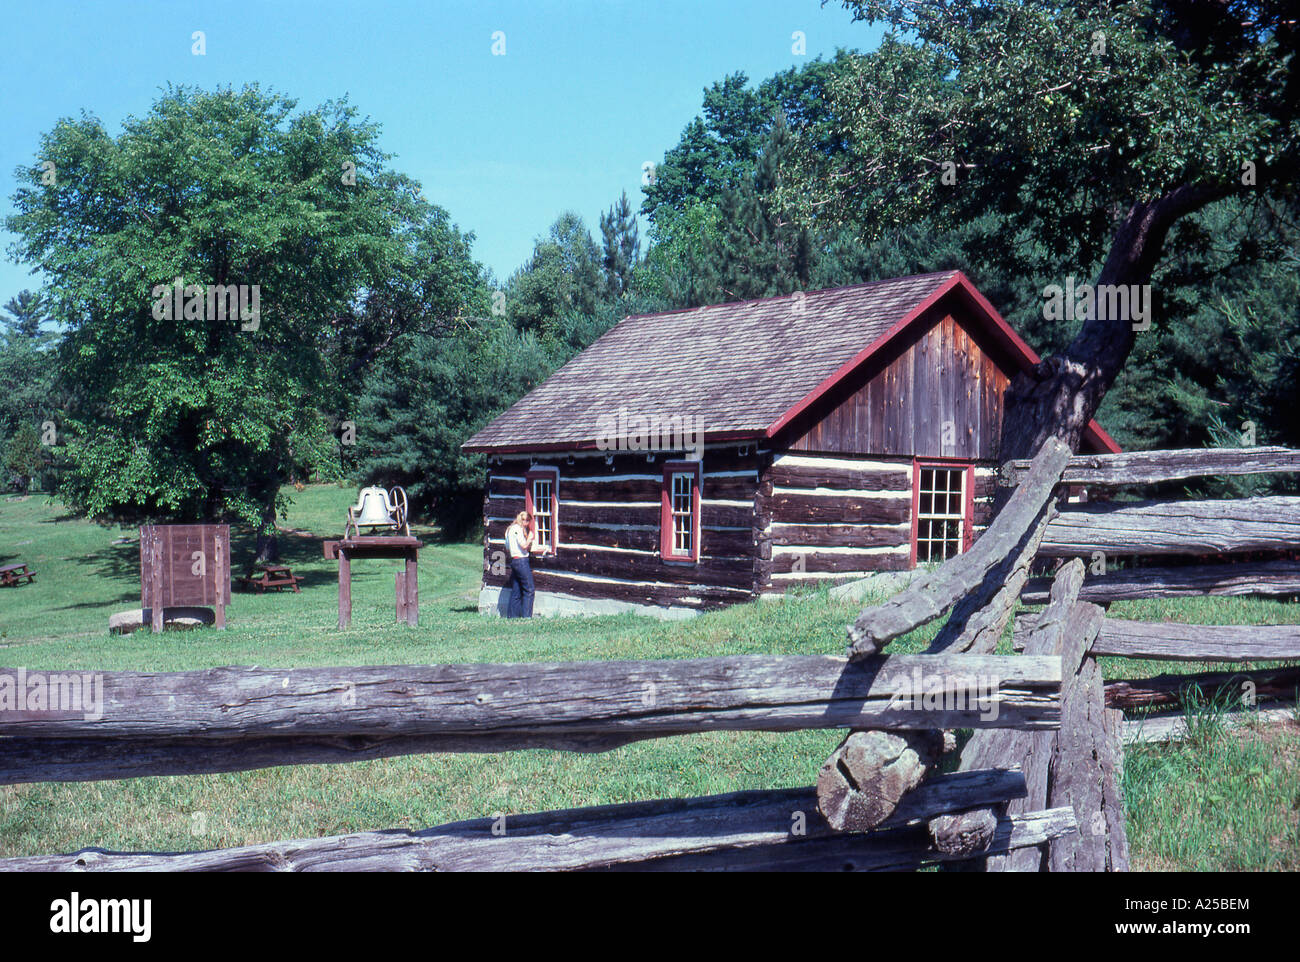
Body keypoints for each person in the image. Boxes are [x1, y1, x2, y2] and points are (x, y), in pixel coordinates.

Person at [504, 510, 547, 617]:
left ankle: (512, 617)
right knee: (529, 589)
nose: (528, 524)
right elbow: (523, 545)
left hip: (514, 560)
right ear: (524, 520)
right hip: (521, 561)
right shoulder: (517, 529)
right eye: (527, 522)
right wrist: (530, 537)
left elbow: (507, 547)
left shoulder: (509, 529)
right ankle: (526, 617)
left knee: (516, 591)